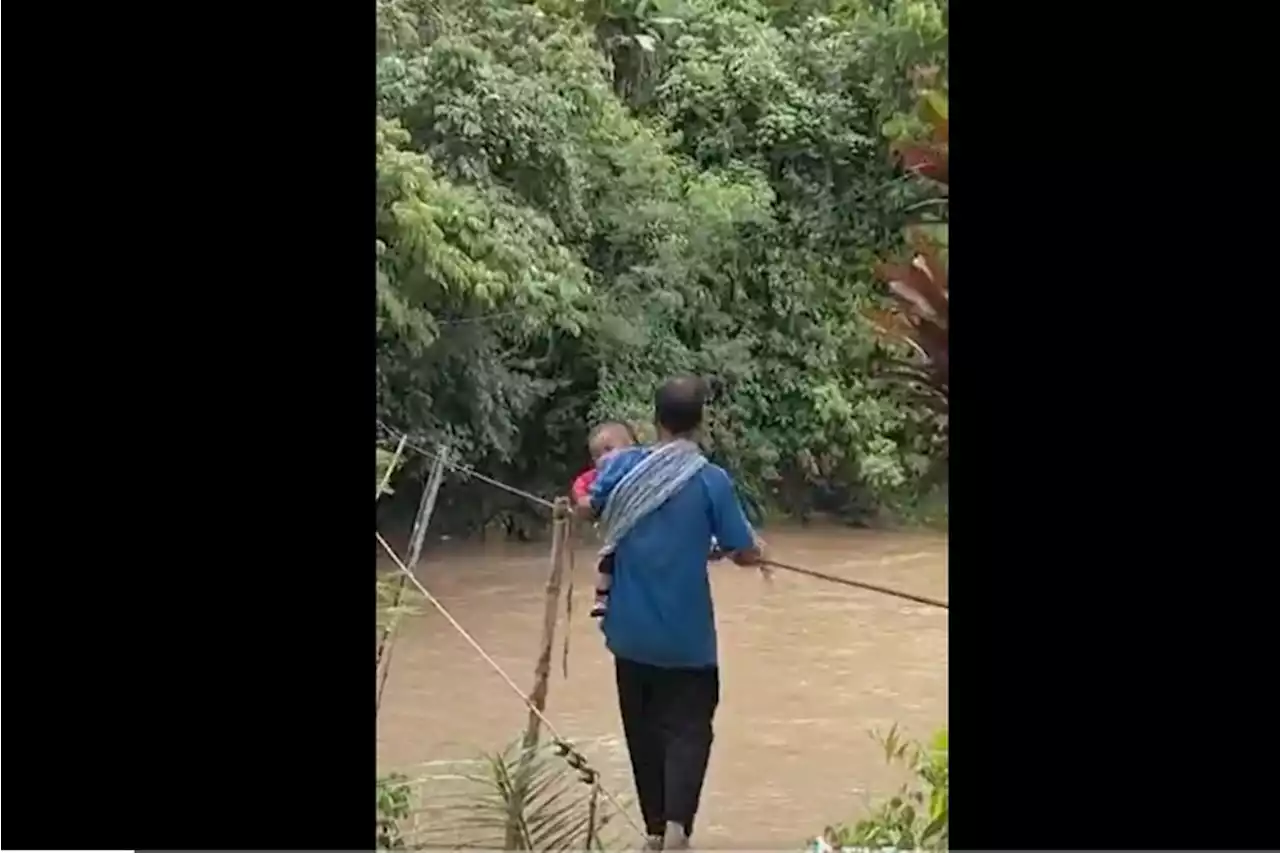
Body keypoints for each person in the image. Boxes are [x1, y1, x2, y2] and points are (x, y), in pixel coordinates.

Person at [578, 376, 763, 851]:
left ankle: (655, 832)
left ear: (655, 419)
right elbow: (743, 550)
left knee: (643, 735)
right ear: (699, 422)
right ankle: (679, 829)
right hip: (687, 642)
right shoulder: (709, 480)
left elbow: (592, 506)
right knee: (688, 732)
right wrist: (754, 552)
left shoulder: (623, 467)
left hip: (629, 635)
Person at [569, 421, 638, 617]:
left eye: (609, 449)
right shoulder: (594, 478)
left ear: (630, 448)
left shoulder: (641, 469)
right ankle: (601, 599)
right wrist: (585, 502)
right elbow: (581, 492)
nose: (603, 458)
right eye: (597, 455)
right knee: (605, 564)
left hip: (641, 531)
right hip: (615, 534)